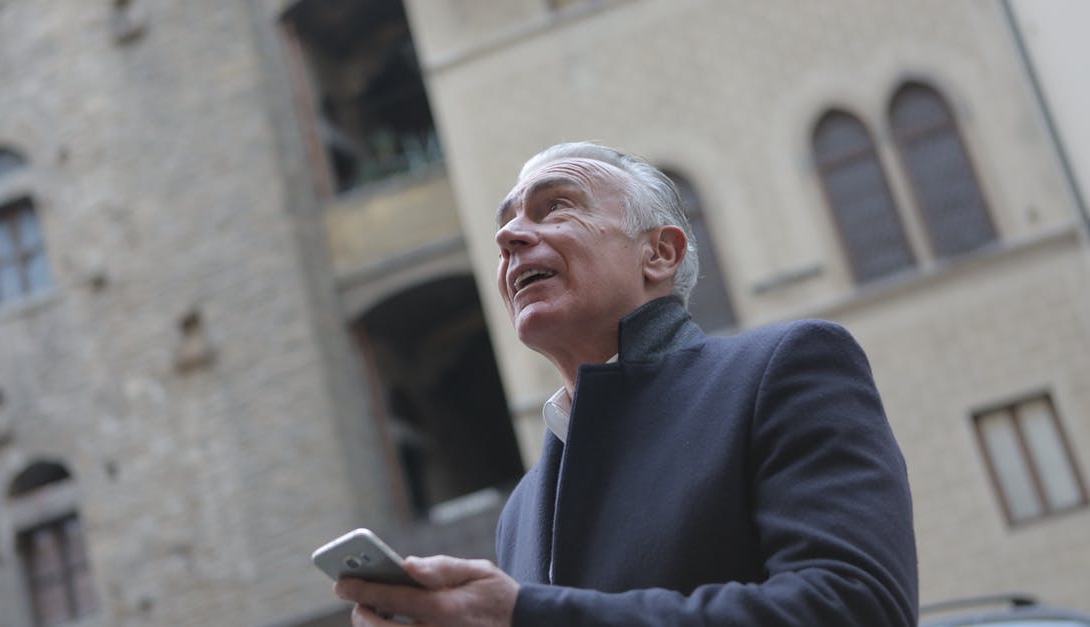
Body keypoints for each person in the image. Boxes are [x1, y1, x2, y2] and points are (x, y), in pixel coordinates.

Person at [335, 141, 918, 626]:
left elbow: (855, 608)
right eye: (507, 223)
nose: (509, 237)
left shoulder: (783, 369)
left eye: (556, 208)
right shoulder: (522, 508)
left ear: (660, 253)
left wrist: (525, 615)